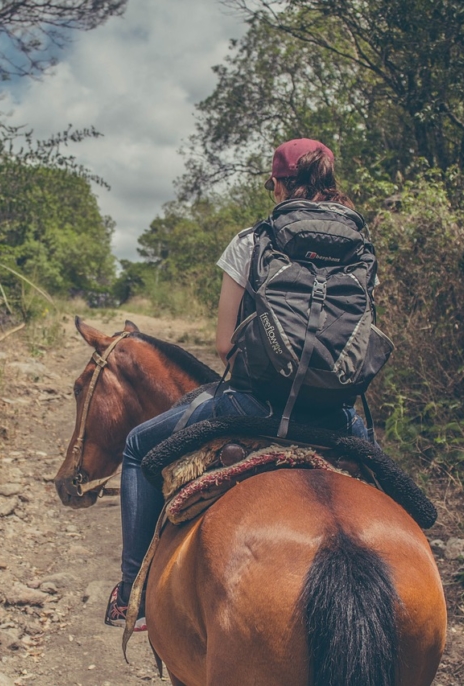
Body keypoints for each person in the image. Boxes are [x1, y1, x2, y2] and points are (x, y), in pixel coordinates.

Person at [104, 138, 374, 631]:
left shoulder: (253, 241)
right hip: (336, 415)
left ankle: (131, 597)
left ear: (278, 184)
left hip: (254, 403)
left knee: (139, 450)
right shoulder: (360, 246)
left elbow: (225, 346)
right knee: (381, 492)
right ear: (329, 181)